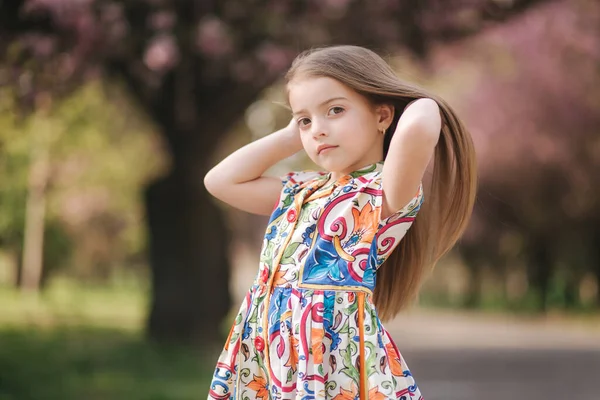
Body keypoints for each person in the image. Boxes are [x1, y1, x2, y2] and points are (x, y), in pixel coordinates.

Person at [204, 45, 476, 400]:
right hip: (268, 358)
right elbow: (219, 181)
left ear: (382, 116)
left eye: (335, 110)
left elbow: (422, 121)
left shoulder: (384, 192)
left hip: (331, 364)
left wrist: (411, 98)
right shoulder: (302, 191)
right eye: (305, 120)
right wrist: (291, 136)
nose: (317, 130)